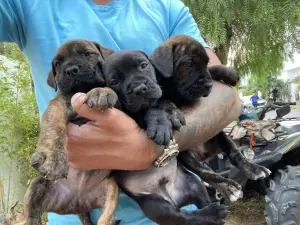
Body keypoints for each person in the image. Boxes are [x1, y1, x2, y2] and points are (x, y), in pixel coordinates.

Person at [0, 0, 241, 224]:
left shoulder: (167, 7)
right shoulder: (25, 5)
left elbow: (227, 97)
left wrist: (150, 147)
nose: (72, 68)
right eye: (61, 65)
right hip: (73, 195)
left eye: (86, 55)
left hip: (185, 205)